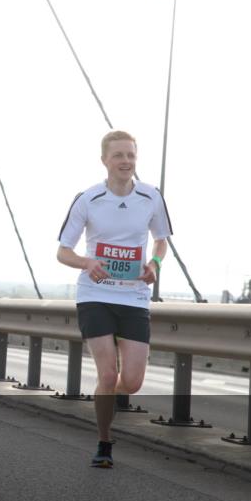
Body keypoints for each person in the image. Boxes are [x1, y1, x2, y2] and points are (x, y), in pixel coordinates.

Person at [57, 130, 172, 468]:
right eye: (119, 155)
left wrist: (155, 263)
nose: (126, 161)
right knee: (107, 375)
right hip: (95, 295)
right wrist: (87, 262)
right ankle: (104, 442)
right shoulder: (87, 199)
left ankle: (105, 399)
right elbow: (63, 252)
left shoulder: (151, 197)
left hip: (134, 297)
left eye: (131, 156)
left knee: (132, 383)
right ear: (104, 160)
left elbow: (161, 240)